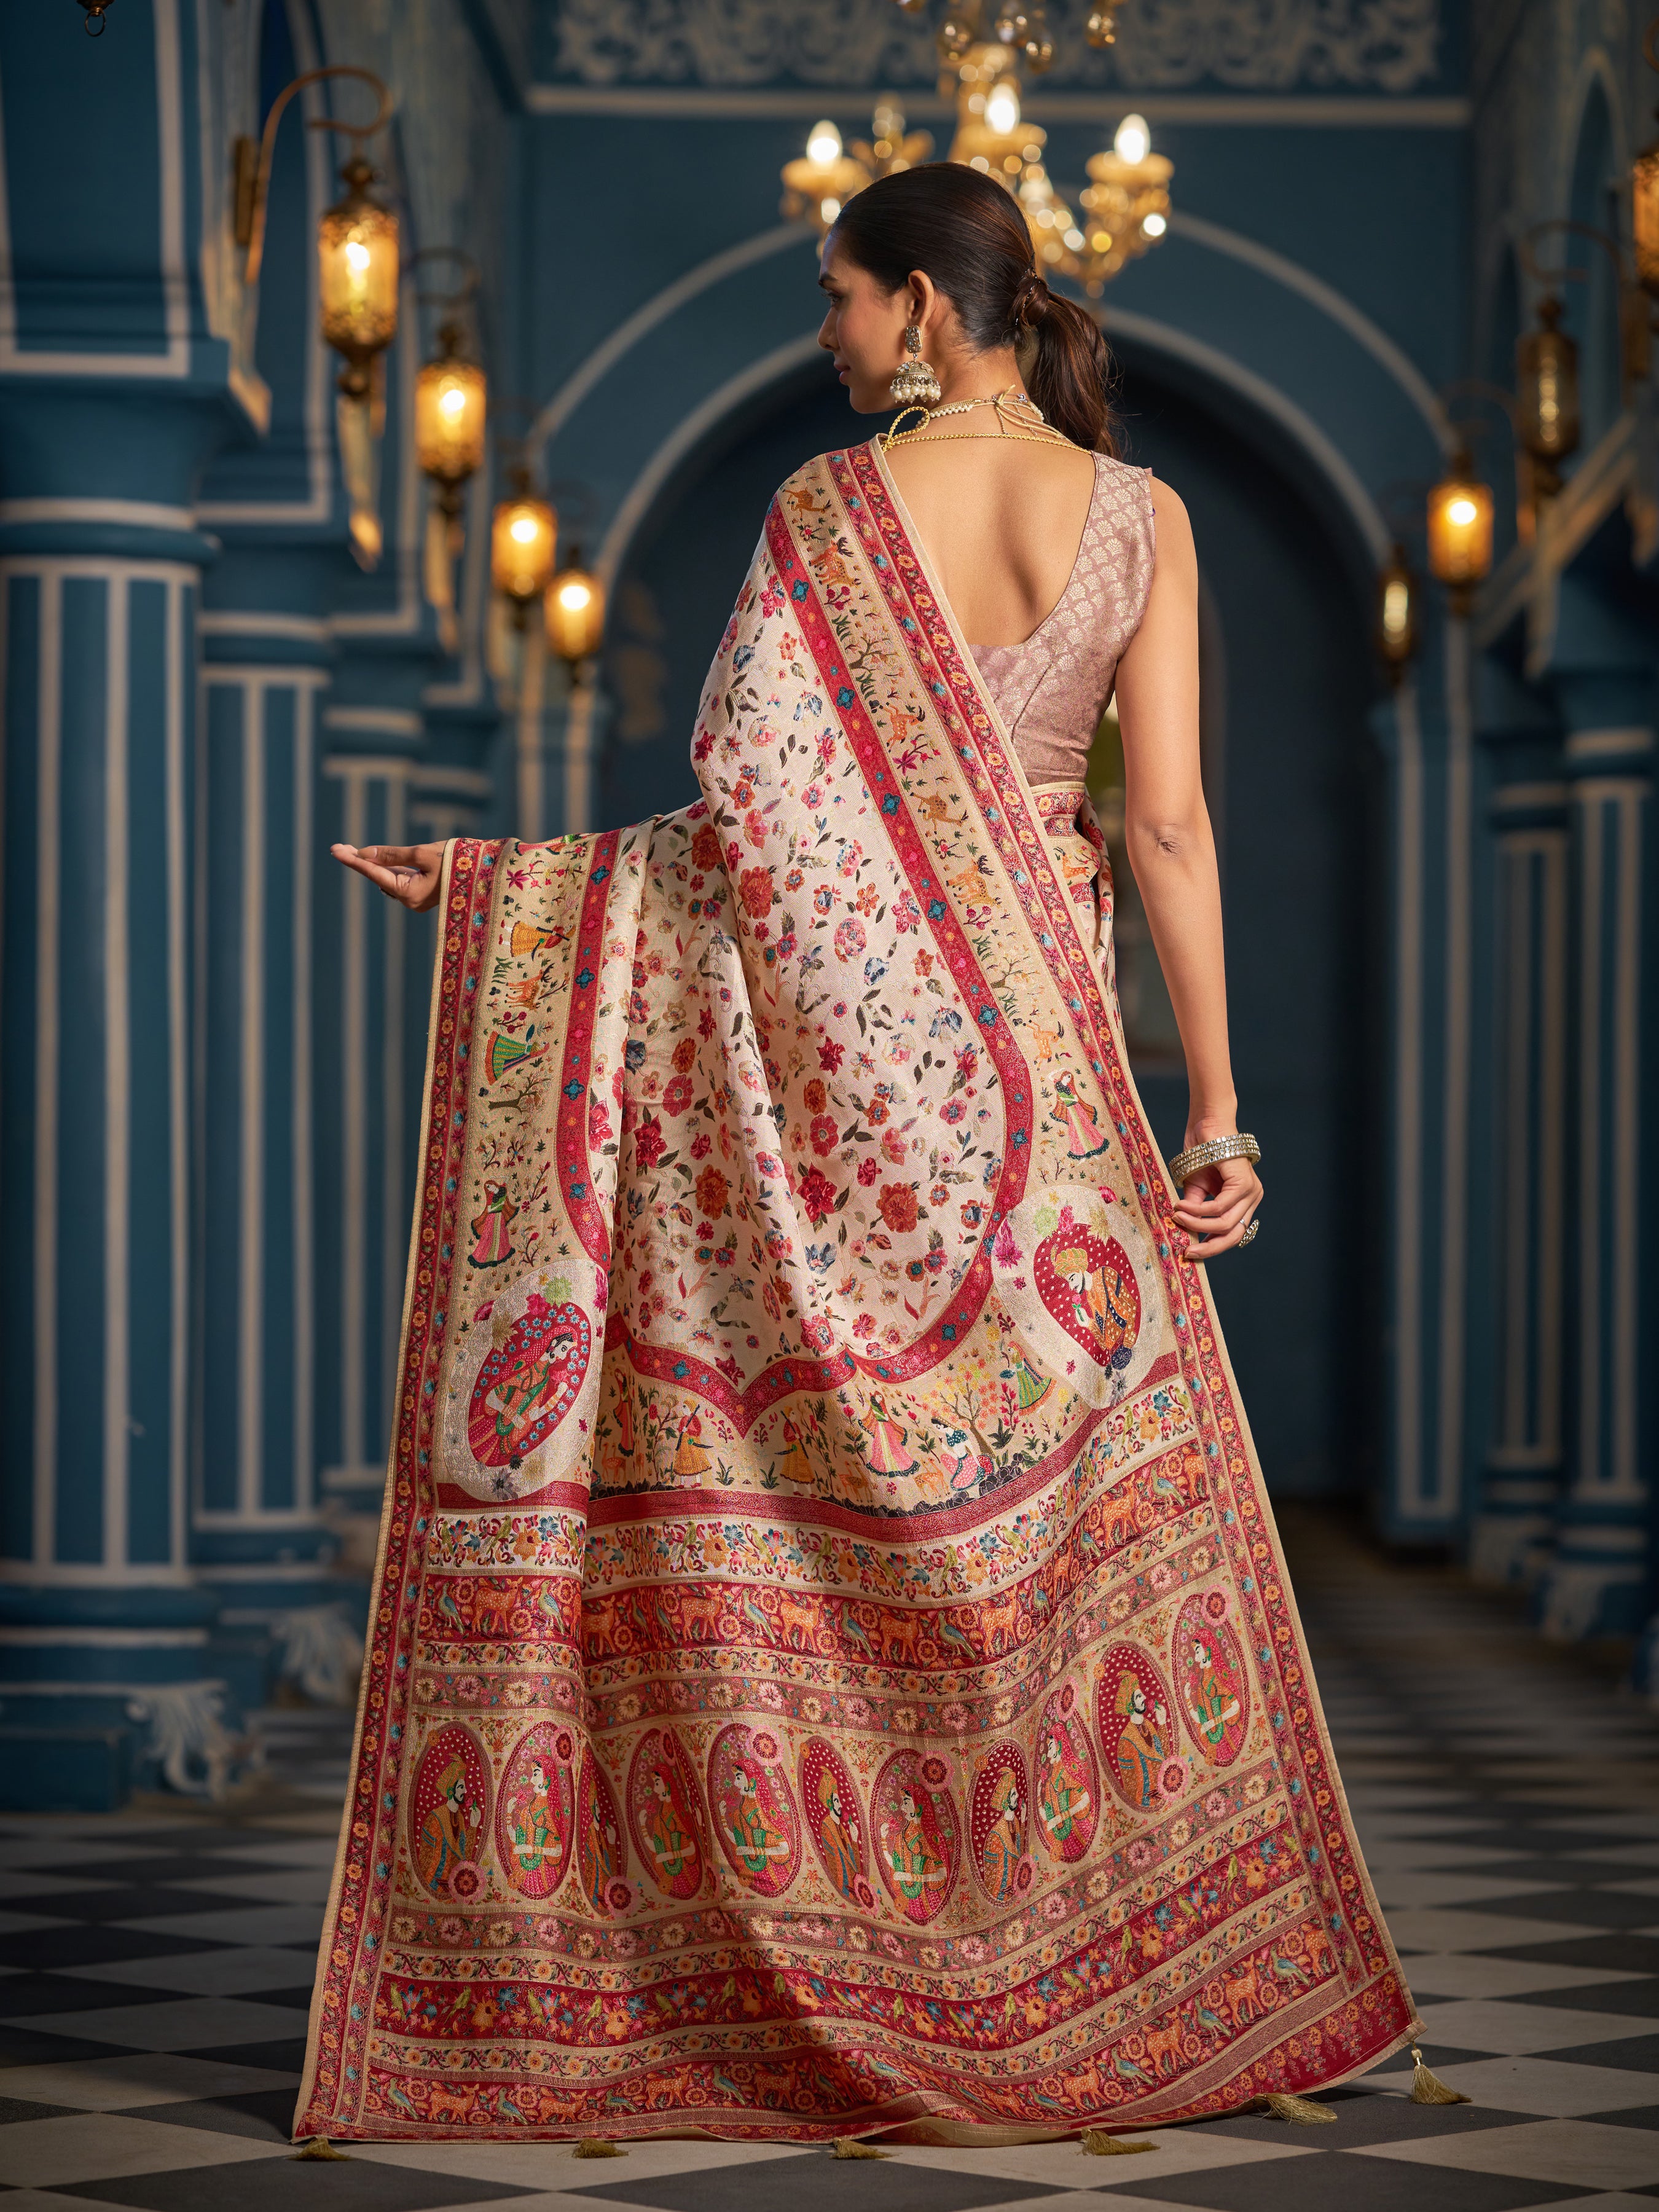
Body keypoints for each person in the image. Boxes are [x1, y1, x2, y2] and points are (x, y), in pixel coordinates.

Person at [299, 162, 1416, 2148]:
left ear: (917, 303)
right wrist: (1215, 1113)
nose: (822, 332)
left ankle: (836, 1948)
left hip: (836, 1085)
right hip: (1043, 1076)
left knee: (821, 1493)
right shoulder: (1140, 517)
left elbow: (747, 827)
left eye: (837, 296)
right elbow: (1167, 827)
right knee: (1049, 1524)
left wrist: (511, 892)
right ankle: (1064, 1968)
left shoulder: (828, 511)